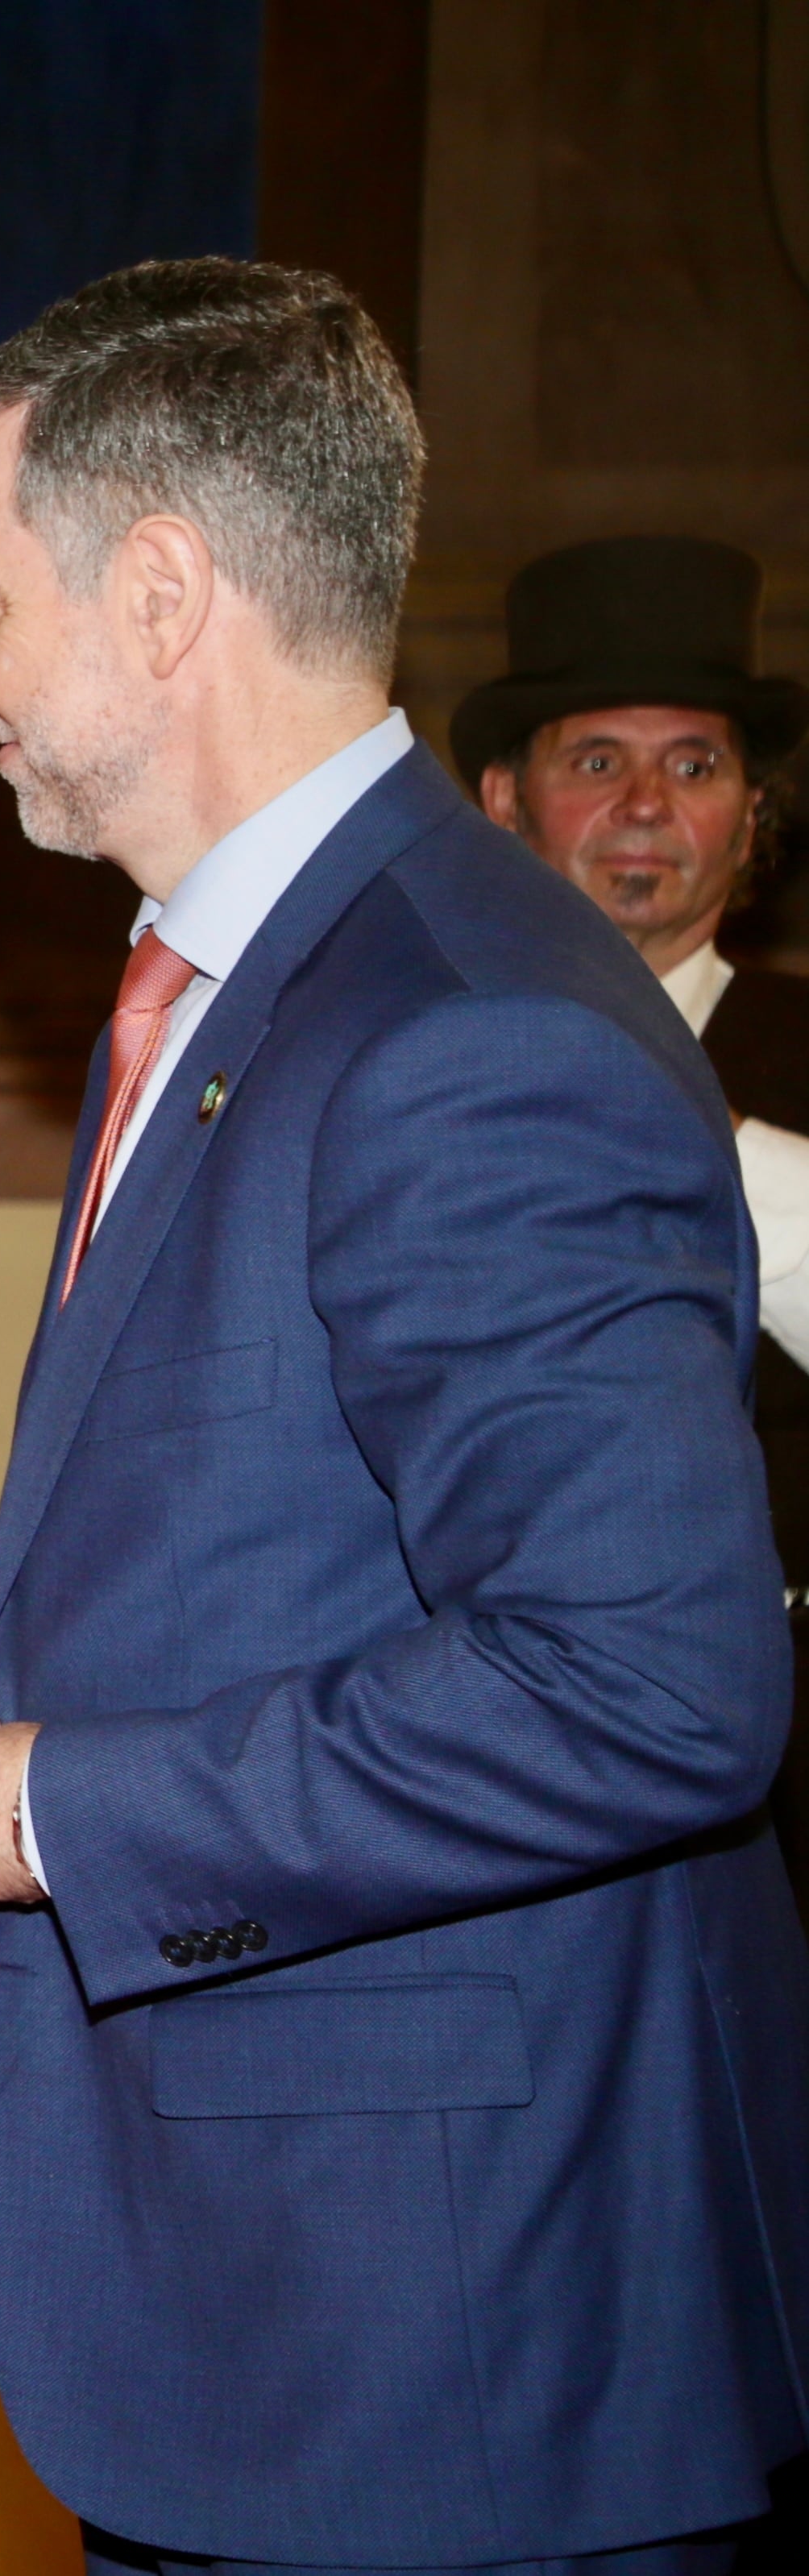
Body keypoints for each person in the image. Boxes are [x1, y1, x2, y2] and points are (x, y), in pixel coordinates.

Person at [0, 260, 809, 2574]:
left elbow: (647, 1681)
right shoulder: (252, 960)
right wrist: (22, 1669)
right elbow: (301, 1509)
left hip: (442, 2358)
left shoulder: (462, 1019)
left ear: (160, 592)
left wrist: (61, 1801)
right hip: (301, 2323)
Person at [463, 534, 809, 1916]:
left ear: (752, 811)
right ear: (504, 801)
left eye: (698, 765)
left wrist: (676, 1132)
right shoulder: (422, 1056)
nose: (651, 805)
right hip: (502, 1758)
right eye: (599, 762)